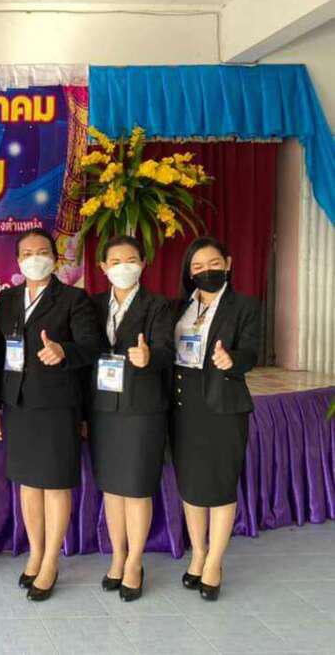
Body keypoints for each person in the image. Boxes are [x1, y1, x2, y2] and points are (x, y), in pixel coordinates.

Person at [0, 228, 100, 601]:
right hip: (17, 405)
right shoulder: (7, 299)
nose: (35, 258)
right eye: (27, 253)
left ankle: (51, 561)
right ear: (18, 260)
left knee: (55, 484)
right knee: (28, 484)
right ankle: (35, 552)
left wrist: (64, 351)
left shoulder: (73, 298)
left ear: (55, 257)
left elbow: (92, 346)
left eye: (42, 251)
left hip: (57, 406)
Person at [85, 235, 175, 602]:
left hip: (141, 409)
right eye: (115, 261)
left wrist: (149, 357)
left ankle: (135, 561)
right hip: (103, 408)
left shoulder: (158, 306)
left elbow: (167, 350)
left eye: (131, 259)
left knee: (136, 488)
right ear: (103, 267)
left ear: (142, 264)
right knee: (112, 488)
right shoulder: (92, 305)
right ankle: (118, 556)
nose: (124, 266)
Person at [171, 236, 260, 601]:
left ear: (228, 264)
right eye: (197, 266)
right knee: (191, 485)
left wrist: (232, 360)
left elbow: (251, 351)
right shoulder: (181, 306)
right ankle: (198, 553)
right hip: (183, 404)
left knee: (221, 486)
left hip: (223, 405)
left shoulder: (244, 306)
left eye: (213, 264)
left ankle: (214, 563)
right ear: (189, 273)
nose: (205, 271)